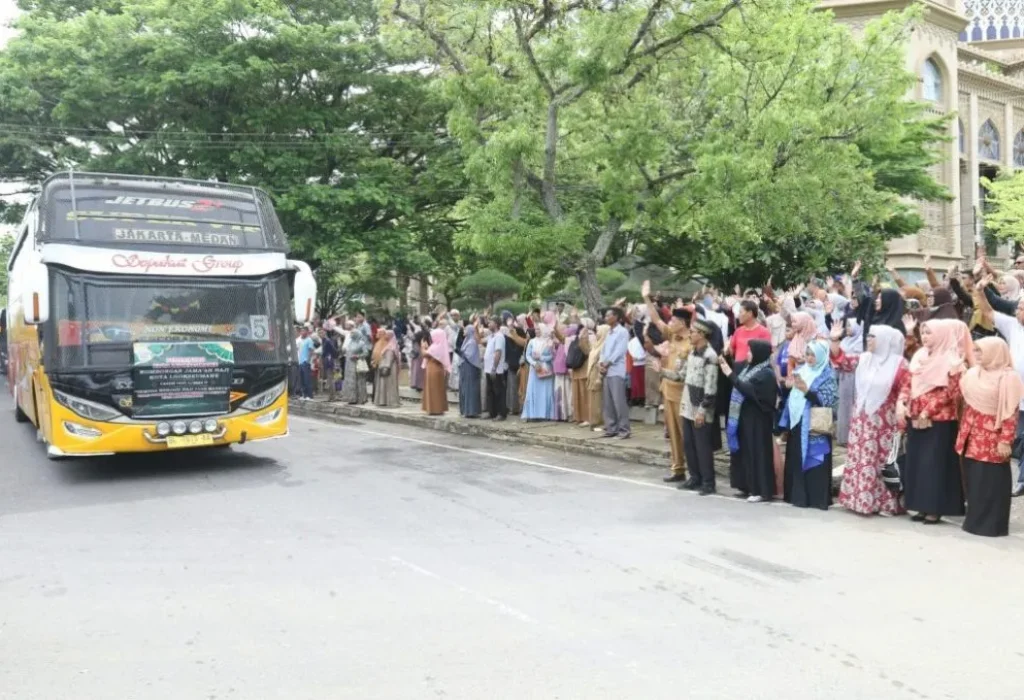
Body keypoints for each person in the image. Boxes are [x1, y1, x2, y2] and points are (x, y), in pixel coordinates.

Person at [832, 324, 908, 516]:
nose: (869, 340)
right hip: (861, 421)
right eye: (868, 336)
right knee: (860, 459)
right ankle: (858, 500)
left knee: (882, 462)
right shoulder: (864, 359)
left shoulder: (899, 364)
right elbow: (841, 361)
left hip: (884, 423)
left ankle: (885, 504)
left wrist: (902, 414)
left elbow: (905, 391)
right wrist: (834, 340)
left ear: (884, 340)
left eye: (873, 337)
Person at [899, 319, 969, 524]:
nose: (925, 337)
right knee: (918, 464)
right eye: (923, 332)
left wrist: (927, 410)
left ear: (940, 335)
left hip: (940, 421)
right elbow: (908, 381)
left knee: (935, 465)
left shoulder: (951, 358)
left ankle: (935, 508)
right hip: (916, 417)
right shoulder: (920, 356)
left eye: (929, 333)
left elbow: (951, 393)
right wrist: (903, 401)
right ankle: (920, 505)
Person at [957, 337, 1022, 537]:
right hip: (971, 436)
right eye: (975, 350)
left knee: (991, 481)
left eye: (980, 351)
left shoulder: (1008, 378)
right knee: (974, 479)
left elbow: (1010, 412)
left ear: (995, 353)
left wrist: (1005, 440)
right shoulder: (973, 374)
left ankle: (992, 525)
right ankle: (974, 521)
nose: (976, 354)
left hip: (992, 438)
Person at [975, 276, 1024, 497]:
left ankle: (1022, 479)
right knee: (1017, 438)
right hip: (1014, 395)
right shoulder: (1014, 326)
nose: (1017, 311)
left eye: (1021, 309)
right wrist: (979, 291)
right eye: (1018, 307)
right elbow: (988, 312)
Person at [779, 340, 838, 509]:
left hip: (815, 425)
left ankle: (815, 498)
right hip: (797, 423)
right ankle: (797, 496)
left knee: (814, 459)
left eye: (814, 355)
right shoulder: (802, 370)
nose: (810, 358)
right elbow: (792, 397)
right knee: (797, 458)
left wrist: (807, 391)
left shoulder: (827, 376)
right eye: (808, 354)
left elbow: (829, 402)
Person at [643, 282, 691, 483]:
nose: (670, 323)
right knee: (672, 433)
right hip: (668, 390)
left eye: (674, 320)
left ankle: (693, 470)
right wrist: (646, 298)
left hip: (683, 394)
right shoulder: (672, 336)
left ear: (683, 323)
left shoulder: (691, 341)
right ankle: (677, 468)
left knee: (686, 433)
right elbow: (656, 320)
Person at [721, 339, 777, 502]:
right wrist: (726, 357)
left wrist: (730, 374)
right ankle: (747, 486)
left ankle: (760, 490)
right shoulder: (749, 368)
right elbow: (736, 372)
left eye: (750, 351)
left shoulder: (766, 374)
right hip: (745, 419)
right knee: (745, 453)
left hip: (758, 421)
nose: (748, 354)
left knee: (757, 453)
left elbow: (748, 390)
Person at [680, 318, 719, 495]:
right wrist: (662, 372)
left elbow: (711, 388)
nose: (690, 335)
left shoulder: (710, 356)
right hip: (688, 403)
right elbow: (681, 375)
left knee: (702, 446)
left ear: (702, 334)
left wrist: (702, 411)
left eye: (693, 332)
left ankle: (708, 482)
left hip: (701, 407)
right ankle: (694, 477)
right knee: (689, 444)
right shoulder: (692, 352)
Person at [600, 307, 631, 439]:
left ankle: (624, 429)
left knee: (619, 402)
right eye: (605, 316)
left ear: (616, 317)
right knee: (608, 403)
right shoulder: (609, 332)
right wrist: (601, 363)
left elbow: (620, 350)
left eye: (608, 316)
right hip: (607, 371)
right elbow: (603, 350)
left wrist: (608, 362)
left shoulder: (622, 331)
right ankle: (611, 428)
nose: (606, 318)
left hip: (616, 370)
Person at [834, 316, 863, 446]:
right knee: (844, 406)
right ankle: (844, 437)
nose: (847, 328)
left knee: (854, 406)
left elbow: (856, 362)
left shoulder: (861, 342)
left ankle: (855, 437)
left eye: (850, 325)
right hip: (844, 378)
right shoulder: (844, 341)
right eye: (847, 325)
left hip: (856, 378)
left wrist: (843, 360)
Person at [522, 324, 556, 421]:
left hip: (546, 370)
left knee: (545, 392)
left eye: (538, 329)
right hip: (535, 370)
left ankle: (545, 415)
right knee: (533, 391)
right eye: (536, 329)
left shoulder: (549, 342)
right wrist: (534, 363)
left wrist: (541, 358)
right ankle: (533, 414)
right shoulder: (532, 342)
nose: (536, 331)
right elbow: (527, 355)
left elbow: (552, 356)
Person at [421, 328, 450, 415]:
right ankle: (438, 408)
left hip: (433, 369)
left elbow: (425, 354)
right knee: (438, 389)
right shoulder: (440, 346)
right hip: (438, 369)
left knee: (433, 389)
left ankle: (434, 409)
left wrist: (422, 347)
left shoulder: (436, 347)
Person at [457, 322, 483, 418]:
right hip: (465, 368)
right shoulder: (466, 341)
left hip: (470, 368)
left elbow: (469, 356)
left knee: (470, 389)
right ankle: (465, 410)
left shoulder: (472, 342)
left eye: (465, 329)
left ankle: (471, 411)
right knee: (464, 389)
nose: (464, 331)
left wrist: (459, 352)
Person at [484, 317, 508, 420]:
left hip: (496, 370)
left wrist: (494, 368)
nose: (488, 324)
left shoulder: (499, 337)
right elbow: (479, 340)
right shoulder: (491, 336)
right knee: (490, 391)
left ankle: (501, 413)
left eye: (491, 322)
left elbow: (498, 352)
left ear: (496, 324)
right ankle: (492, 412)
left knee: (498, 391)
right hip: (488, 368)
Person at [340, 323, 370, 405]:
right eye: (351, 333)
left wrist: (357, 356)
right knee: (350, 381)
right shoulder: (350, 342)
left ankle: (360, 398)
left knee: (358, 381)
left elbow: (366, 353)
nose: (351, 334)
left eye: (353, 333)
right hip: (349, 365)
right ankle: (351, 398)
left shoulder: (361, 343)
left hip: (356, 364)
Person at [586, 324, 609, 430]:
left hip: (598, 376)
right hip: (591, 375)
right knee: (592, 400)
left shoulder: (605, 345)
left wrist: (599, 377)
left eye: (599, 331)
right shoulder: (596, 345)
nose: (597, 333)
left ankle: (599, 422)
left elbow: (603, 362)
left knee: (598, 401)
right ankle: (593, 421)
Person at [570, 321, 592, 427]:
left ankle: (587, 417)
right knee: (577, 395)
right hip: (576, 369)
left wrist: (583, 339)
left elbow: (588, 351)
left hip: (584, 370)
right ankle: (578, 417)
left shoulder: (591, 337)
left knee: (584, 396)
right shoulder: (576, 338)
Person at [373, 329, 401, 408]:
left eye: (387, 334)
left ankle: (390, 401)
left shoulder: (391, 346)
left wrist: (385, 367)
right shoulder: (390, 345)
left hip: (388, 368)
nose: (385, 336)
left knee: (389, 384)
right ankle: (384, 400)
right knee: (385, 385)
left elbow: (389, 358)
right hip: (387, 366)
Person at [296, 327, 316, 400]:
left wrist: (308, 360)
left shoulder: (309, 340)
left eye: (304, 331)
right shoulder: (300, 340)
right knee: (301, 379)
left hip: (305, 362)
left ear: (307, 332)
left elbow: (311, 350)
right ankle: (303, 394)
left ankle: (309, 395)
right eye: (301, 331)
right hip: (300, 362)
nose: (302, 332)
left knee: (307, 379)